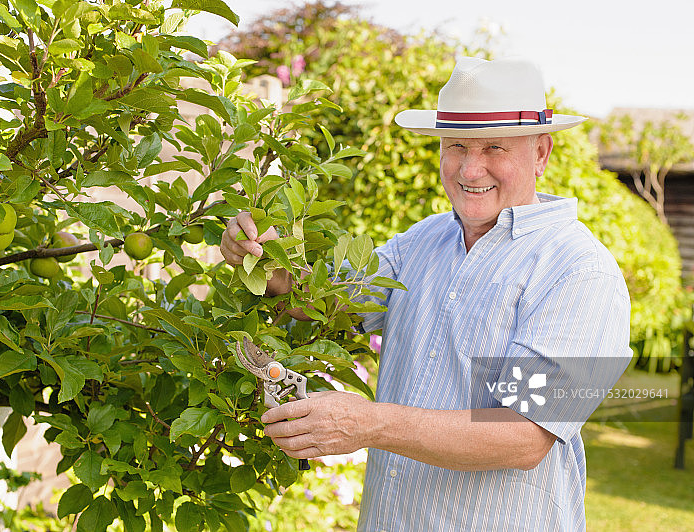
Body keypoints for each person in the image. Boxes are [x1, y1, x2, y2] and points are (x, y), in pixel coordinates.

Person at [220, 57, 631, 531]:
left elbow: (523, 436)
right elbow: (333, 303)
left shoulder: (579, 270)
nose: (470, 169)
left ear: (541, 152)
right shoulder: (424, 240)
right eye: (456, 146)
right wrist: (265, 262)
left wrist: (369, 423)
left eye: (494, 147)